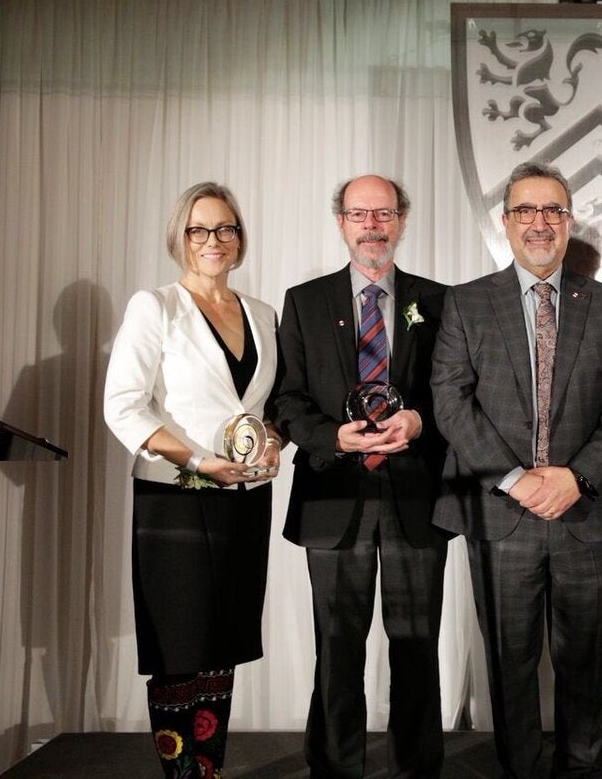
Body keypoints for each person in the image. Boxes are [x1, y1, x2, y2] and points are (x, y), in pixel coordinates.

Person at [431, 162, 602, 778]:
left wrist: (575, 476)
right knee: (509, 660)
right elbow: (451, 400)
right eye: (525, 210)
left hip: (585, 509)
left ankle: (578, 768)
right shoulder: (467, 303)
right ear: (505, 222)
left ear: (570, 220)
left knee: (583, 659)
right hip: (503, 515)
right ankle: (519, 769)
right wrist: (514, 478)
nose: (540, 223)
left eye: (553, 210)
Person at [104, 181, 281, 778]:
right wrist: (198, 461)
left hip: (243, 497)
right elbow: (124, 405)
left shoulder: (262, 314)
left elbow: (269, 406)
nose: (214, 240)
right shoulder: (154, 306)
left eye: (225, 229)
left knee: (223, 644)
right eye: (199, 230)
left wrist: (276, 442)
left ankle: (211, 770)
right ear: (181, 238)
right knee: (179, 648)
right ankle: (183, 775)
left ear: (240, 238)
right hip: (175, 496)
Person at [274, 175, 448, 778]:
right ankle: (335, 768)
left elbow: (456, 397)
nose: (372, 225)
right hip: (334, 495)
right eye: (359, 214)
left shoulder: (441, 299)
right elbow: (287, 402)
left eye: (383, 214)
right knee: (338, 651)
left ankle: (418, 768)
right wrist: (332, 437)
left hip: (415, 498)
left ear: (401, 220)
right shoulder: (304, 301)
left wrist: (420, 419)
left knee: (417, 648)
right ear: (341, 222)